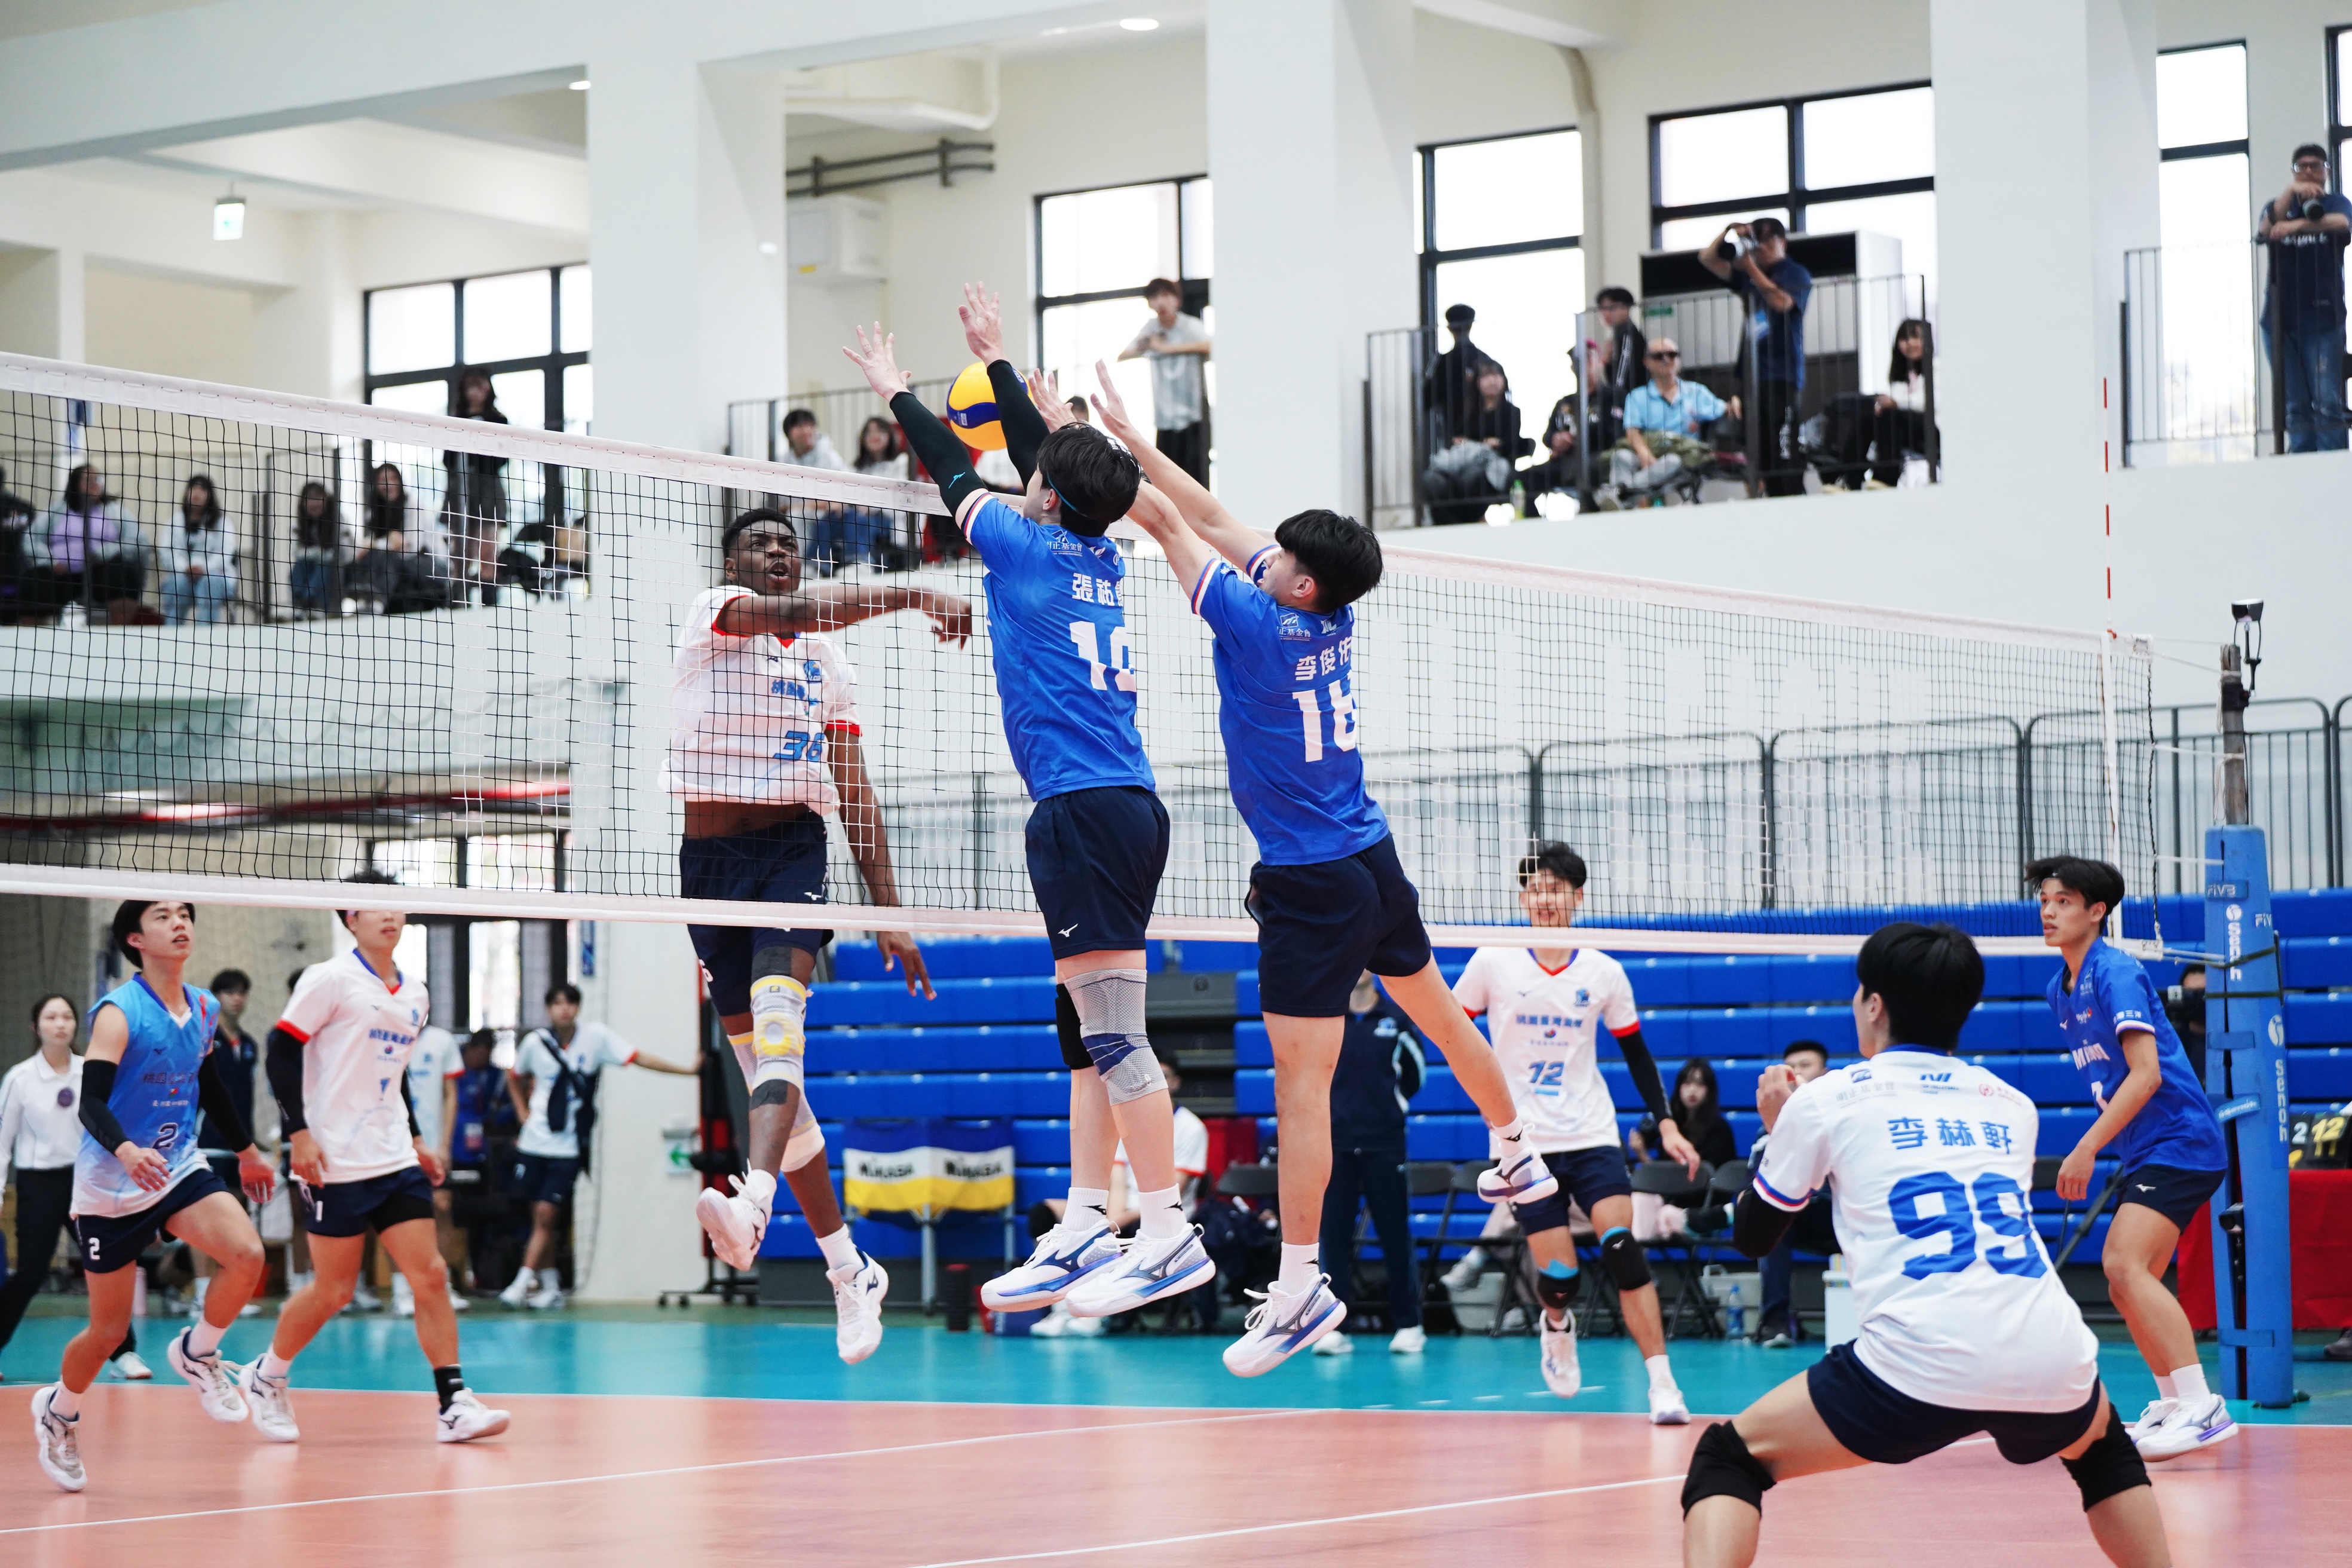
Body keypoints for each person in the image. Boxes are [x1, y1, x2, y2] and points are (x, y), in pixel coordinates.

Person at [1085, 357, 1562, 1380]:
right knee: (1444, 1016)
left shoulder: (1257, 622)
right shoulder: (1327, 611)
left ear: (1298, 581)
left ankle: (1301, 1286)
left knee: (1302, 1090)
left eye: (1280, 558)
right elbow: (1213, 514)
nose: (1263, 558)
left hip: (1309, 882)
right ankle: (1517, 1147)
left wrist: (1081, 453)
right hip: (1372, 859)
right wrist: (1133, 438)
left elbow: (1169, 524)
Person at [843, 286, 1215, 1334]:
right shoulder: (1098, 548)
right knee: (1080, 1029)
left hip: (1084, 813)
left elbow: (951, 467)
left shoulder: (1023, 545)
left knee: (1114, 1033)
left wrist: (897, 390)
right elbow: (1047, 466)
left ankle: (1165, 1228)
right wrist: (998, 360)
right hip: (1120, 805)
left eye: (1037, 474)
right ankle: (1087, 1215)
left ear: (1043, 495)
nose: (1029, 477)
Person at [1682, 923, 2170, 1568]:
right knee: (2103, 1450)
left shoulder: (1826, 1099)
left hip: (1916, 1363)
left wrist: (1776, 1133)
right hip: (2049, 1350)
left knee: (1727, 1457)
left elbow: (1753, 1237)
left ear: (1874, 1004)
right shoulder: (2012, 1104)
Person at [670, 504, 967, 1364]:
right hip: (710, 871)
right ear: (733, 565)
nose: (777, 552)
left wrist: (888, 909)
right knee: (772, 1079)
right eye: (759, 544)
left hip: (791, 853)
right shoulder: (714, 616)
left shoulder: (827, 663)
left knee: (779, 1032)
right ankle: (849, 1268)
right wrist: (914, 591)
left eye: (788, 545)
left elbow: (856, 791)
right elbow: (802, 611)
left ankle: (754, 1202)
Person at [247, 874, 509, 1444]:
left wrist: (416, 1137)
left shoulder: (414, 993)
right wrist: (298, 1133)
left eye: (396, 907)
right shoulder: (329, 979)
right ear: (350, 919)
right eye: (374, 908)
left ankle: (453, 1402)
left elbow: (395, 1073)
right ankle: (267, 1376)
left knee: (430, 1275)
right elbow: (281, 1051)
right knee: (334, 1290)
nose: (389, 916)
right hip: (334, 1158)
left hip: (393, 1156)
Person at [32, 901, 276, 1494]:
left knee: (247, 1254)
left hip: (176, 1166)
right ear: (136, 939)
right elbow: (92, 1103)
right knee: (107, 1332)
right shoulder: (120, 1013)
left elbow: (209, 1087)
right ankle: (59, 1411)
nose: (180, 922)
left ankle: (198, 1351)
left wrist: (247, 1151)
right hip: (112, 1184)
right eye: (163, 916)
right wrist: (125, 1150)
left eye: (185, 914)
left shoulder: (204, 1007)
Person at [1448, 843, 1696, 1422]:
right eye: (1534, 888)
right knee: (1559, 1276)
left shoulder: (1603, 970)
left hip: (1590, 1132)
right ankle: (1557, 1324)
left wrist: (1666, 1123)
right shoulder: (1493, 961)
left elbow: (1636, 1053)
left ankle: (1663, 1384)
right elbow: (1453, 1033)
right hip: (1523, 1144)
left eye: (1555, 888)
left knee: (1622, 1248)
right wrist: (1488, 1104)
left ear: (1577, 897)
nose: (1544, 898)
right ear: (1522, 898)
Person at [2029, 855, 2232, 1462]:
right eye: (2045, 900)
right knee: (2127, 1282)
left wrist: (2086, 1146)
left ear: (2097, 911)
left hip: (2181, 1140)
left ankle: (2203, 1406)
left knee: (2121, 1262)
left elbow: (2146, 1076)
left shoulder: (2114, 972)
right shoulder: (2060, 989)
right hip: (2146, 1148)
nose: (2048, 911)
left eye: (2064, 901)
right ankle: (2173, 1401)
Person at [501, 985, 696, 1309]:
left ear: (579, 1007)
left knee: (547, 1213)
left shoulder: (595, 1038)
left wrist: (686, 1071)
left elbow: (637, 1057)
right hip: (535, 1142)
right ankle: (551, 1287)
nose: (564, 1009)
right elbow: (514, 1076)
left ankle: (521, 1283)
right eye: (557, 1003)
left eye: (570, 1002)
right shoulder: (535, 1043)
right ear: (548, 1009)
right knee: (539, 1217)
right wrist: (523, 1114)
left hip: (568, 1146)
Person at [0, 996, 147, 1382]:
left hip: (88, 1179)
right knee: (30, 1272)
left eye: (67, 1016)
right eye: (51, 1017)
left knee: (106, 1265)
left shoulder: (90, 1071)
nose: (60, 1024)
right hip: (39, 1185)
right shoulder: (20, 1078)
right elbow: (2, 1142)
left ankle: (125, 1354)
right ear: (36, 1028)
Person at [1030, 1054, 1211, 1338]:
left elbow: (1175, 1190)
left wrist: (1112, 1223)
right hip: (1119, 1207)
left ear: (1175, 1083)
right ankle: (1058, 1303)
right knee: (1045, 1214)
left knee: (1100, 1234)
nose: (1154, 1081)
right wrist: (1107, 1220)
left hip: (1160, 1212)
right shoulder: (1125, 1118)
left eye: (1163, 1075)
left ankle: (1092, 1314)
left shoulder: (1191, 1127)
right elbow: (1116, 1180)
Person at [1688, 1040, 1841, 1348]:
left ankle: (1722, 1216)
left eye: (1805, 1065)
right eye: (1791, 1067)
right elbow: (1755, 1184)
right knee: (1773, 1219)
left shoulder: (1842, 1116)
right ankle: (1775, 1323)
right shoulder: (1768, 1129)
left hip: (1840, 1212)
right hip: (1800, 1214)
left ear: (1824, 1073)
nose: (1797, 1072)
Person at [1312, 972, 1428, 1357]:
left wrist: (1390, 1107)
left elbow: (1415, 1076)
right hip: (1336, 1145)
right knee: (1333, 1238)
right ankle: (1333, 1328)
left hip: (1385, 1145)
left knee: (1395, 1235)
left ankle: (1409, 1325)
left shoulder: (1396, 1020)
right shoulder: (1326, 1017)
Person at [1698, 216, 1812, 497]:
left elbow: (1782, 302)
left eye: (1765, 242)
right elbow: (1708, 259)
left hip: (1783, 376)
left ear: (1782, 243)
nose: (1759, 249)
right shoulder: (1749, 274)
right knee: (1758, 449)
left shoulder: (1795, 273)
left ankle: (1792, 498)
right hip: (1752, 376)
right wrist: (1728, 231)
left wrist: (1751, 268)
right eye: (1756, 242)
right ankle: (1770, 497)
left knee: (1783, 448)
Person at [2258, 143, 2352, 453]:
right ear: (2293, 171)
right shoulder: (2279, 207)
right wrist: (2290, 193)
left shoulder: (2336, 203)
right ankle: (2301, 462)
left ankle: (2331, 462)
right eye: (2302, 167)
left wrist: (2297, 226)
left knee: (2328, 402)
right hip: (2280, 321)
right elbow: (2266, 229)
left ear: (2327, 171)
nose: (2309, 171)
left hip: (2324, 320)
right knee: (2294, 404)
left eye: (2315, 166)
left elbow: (2342, 223)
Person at [190, 967, 263, 1322]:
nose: (237, 998)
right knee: (205, 1222)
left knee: (237, 1220)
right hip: (207, 1144)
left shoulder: (249, 1045)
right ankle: (201, 1294)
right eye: (229, 992)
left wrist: (253, 1142)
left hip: (240, 1147)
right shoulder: (205, 1040)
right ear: (216, 997)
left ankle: (228, 1294)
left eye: (242, 992)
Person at [1595, 338, 1733, 510]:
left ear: (1678, 359)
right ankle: (1622, 500)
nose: (1666, 360)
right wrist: (1645, 455)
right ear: (1647, 362)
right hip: (1648, 453)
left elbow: (1725, 409)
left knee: (1672, 461)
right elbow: (1632, 432)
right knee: (1620, 456)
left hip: (1681, 456)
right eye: (1658, 356)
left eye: (1672, 355)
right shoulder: (1637, 396)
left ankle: (1620, 495)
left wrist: (1734, 402)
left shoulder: (1696, 392)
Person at [394, 1010, 466, 1319]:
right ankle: (401, 1291)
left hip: (433, 1144)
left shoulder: (442, 1041)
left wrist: (445, 1145)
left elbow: (451, 1095)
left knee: (442, 1208)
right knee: (396, 1217)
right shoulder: (385, 1036)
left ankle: (443, 1287)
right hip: (395, 1147)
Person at [1116, 278, 1211, 485]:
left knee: (1195, 478)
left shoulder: (1190, 326)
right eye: (1155, 297)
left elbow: (1210, 346)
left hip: (1193, 416)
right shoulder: (1150, 329)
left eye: (1166, 296)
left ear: (1177, 300)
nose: (1161, 302)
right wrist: (1145, 346)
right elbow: (1122, 355)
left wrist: (1166, 349)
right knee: (1165, 480)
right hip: (1165, 417)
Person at [1420, 359, 1529, 523]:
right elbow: (1456, 439)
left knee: (1473, 480)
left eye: (1496, 376)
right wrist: (1482, 443)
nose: (1492, 381)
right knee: (1432, 481)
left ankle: (1469, 520)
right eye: (1486, 377)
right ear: (1477, 382)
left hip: (1490, 467)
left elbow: (1509, 443)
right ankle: (1452, 523)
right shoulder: (1468, 411)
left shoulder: (1511, 412)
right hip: (1461, 464)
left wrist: (1480, 444)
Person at [34, 464, 147, 615]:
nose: (95, 484)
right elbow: (31, 539)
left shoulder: (115, 511)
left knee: (125, 576)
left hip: (101, 573)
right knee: (35, 581)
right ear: (75, 484)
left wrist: (102, 553)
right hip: (61, 576)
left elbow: (138, 541)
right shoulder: (56, 511)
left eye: (97, 479)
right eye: (88, 480)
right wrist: (51, 561)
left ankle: (120, 628)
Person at [441, 368, 509, 605]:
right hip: (460, 488)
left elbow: (502, 458)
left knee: (488, 549)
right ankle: (459, 601)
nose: (475, 392)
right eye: (471, 387)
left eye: (479, 386)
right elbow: (448, 458)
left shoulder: (498, 420)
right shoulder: (454, 420)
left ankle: (490, 602)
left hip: (488, 489)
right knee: (461, 551)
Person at [159, 475, 236, 625]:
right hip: (182, 576)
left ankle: (205, 633)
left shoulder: (222, 522)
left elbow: (226, 552)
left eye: (203, 489)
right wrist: (185, 568)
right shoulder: (175, 521)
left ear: (210, 495)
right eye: (194, 488)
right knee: (175, 584)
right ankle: (171, 632)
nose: (197, 493)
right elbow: (166, 551)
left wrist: (203, 569)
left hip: (215, 576)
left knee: (210, 583)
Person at [1634, 1059, 1738, 1168]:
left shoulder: (1720, 1130)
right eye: (1687, 1083)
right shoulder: (1669, 1125)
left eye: (1700, 1084)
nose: (1692, 1090)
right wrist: (1642, 1153)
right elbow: (1662, 1174)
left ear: (1710, 1090)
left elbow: (1706, 1172)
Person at [1584, 286, 1647, 451]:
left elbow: (1623, 376)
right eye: (1602, 309)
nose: (1605, 314)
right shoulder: (1619, 335)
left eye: (1610, 308)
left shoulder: (1627, 334)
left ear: (1624, 308)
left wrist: (1615, 398)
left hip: (1629, 401)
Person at [1423, 302, 1488, 447]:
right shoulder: (1485, 360)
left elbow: (1427, 398)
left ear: (1450, 328)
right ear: (1471, 326)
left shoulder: (1443, 362)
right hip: (1484, 432)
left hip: (1452, 432)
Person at [287, 481, 344, 615]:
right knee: (299, 566)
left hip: (337, 570)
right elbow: (297, 552)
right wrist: (319, 553)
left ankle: (313, 602)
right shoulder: (300, 525)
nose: (314, 504)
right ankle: (300, 604)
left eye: (318, 498)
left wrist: (319, 554)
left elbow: (343, 552)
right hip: (310, 567)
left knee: (324, 566)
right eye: (310, 499)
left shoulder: (338, 520)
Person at [1520, 388, 1581, 512]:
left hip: (1592, 461)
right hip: (1561, 463)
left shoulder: (1608, 396)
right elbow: (1547, 436)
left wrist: (1573, 441)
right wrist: (1555, 439)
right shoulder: (1564, 402)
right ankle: (1533, 522)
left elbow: (1611, 433)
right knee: (1521, 480)